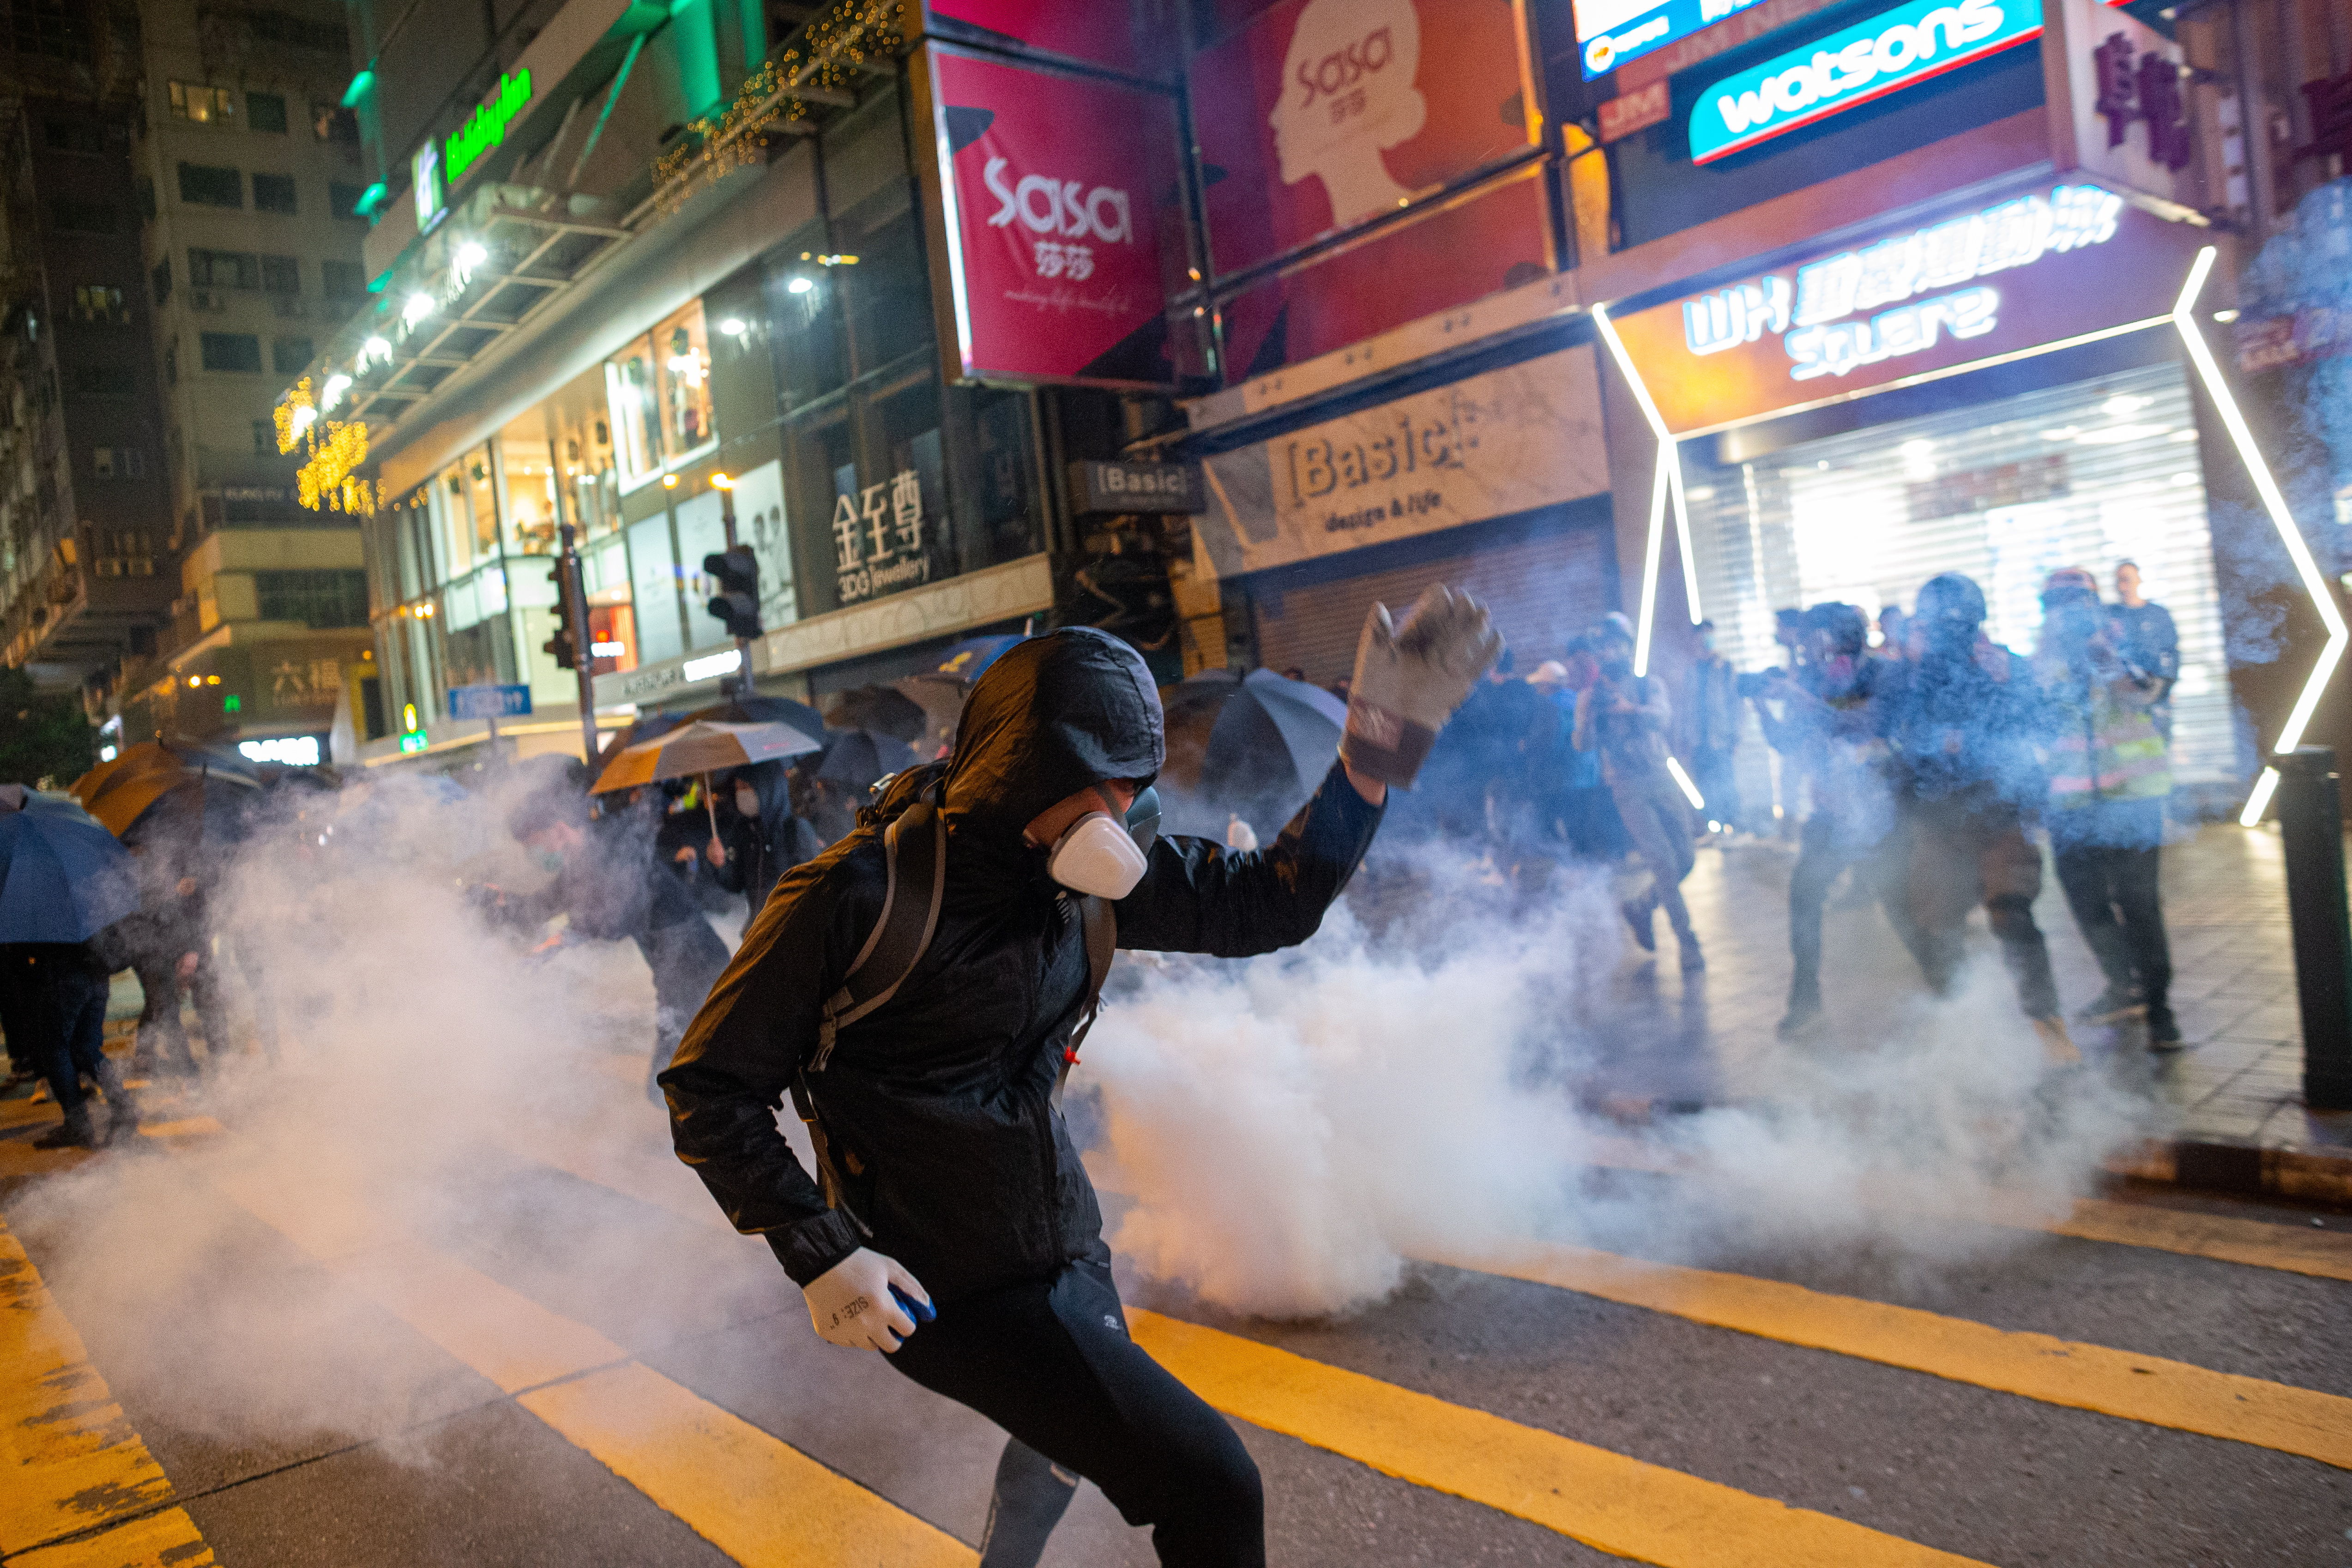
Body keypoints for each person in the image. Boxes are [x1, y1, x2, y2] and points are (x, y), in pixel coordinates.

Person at [662, 596, 1498, 1568]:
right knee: (1214, 1486)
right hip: (935, 1282)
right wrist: (821, 1251)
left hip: (1064, 1240)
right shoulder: (855, 895)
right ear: (1020, 773)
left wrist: (1373, 753)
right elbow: (709, 1087)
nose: (1115, 818)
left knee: (1064, 1440)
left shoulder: (1092, 878)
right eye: (1092, 790)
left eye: (1132, 789)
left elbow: (1271, 905)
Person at [1870, 573, 2072, 1059]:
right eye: (1940, 626)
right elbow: (1886, 730)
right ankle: (1962, 1026)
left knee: (2012, 914)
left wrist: (2006, 683)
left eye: (1958, 625)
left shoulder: (2003, 665)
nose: (1949, 637)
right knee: (1938, 926)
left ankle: (2048, 1028)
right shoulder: (1908, 673)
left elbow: (2045, 726)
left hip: (1998, 812)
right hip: (1937, 819)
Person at [503, 790, 736, 1101]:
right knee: (682, 1085)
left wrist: (557, 942)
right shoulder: (580, 864)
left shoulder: (616, 849)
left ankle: (721, 1137)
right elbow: (544, 904)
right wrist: (499, 905)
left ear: (557, 829)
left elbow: (618, 915)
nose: (533, 853)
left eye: (533, 844)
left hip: (699, 972)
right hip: (673, 981)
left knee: (674, 1087)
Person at [2037, 568, 2179, 1048]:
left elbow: (2149, 692)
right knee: (2085, 900)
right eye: (2055, 605)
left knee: (2139, 902)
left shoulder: (2126, 639)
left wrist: (2106, 656)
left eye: (2076, 602)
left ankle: (2161, 1010)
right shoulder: (2041, 659)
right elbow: (2033, 721)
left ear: (2094, 604)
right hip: (2071, 801)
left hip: (2133, 798)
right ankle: (2123, 985)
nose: (2066, 614)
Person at [1752, 603, 1891, 1036]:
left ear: (1838, 637)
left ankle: (1952, 998)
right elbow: (1787, 743)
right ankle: (1805, 1002)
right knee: (1804, 902)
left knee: (1908, 914)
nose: (1805, 646)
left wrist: (1804, 700)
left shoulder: (1879, 673)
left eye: (1815, 637)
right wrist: (1761, 707)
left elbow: (1864, 725)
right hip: (1831, 816)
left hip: (1881, 814)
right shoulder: (1809, 680)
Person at [1575, 613, 1701, 969]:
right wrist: (1590, 717)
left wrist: (1629, 709)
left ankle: (1641, 906)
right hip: (1627, 785)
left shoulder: (1648, 685)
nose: (1608, 652)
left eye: (1614, 644)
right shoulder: (1591, 696)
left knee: (1685, 859)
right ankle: (1687, 941)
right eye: (1601, 648)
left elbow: (1662, 718)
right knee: (1662, 860)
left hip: (1661, 776)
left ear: (1627, 647)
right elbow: (1582, 745)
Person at [24, 931, 139, 1149]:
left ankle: (78, 1125)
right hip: (97, 975)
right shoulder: (90, 898)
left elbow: (33, 947)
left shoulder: (43, 905)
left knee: (55, 1049)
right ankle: (124, 1107)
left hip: (64, 975)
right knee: (87, 1048)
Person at [710, 762, 823, 921]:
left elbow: (817, 890)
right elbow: (737, 883)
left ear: (767, 788)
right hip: (760, 929)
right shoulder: (746, 831)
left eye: (746, 787)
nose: (741, 794)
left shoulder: (795, 830)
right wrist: (721, 865)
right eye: (737, 788)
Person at [1678, 619, 1743, 834]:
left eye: (1709, 634)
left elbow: (1736, 704)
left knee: (1726, 782)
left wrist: (1736, 736)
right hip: (1699, 739)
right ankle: (1714, 829)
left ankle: (1733, 828)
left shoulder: (1725, 668)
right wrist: (1686, 737)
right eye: (1702, 634)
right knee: (1706, 785)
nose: (1706, 638)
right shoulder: (1691, 670)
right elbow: (1686, 706)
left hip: (1722, 738)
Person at [2111, 561, 2180, 743]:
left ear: (2139, 580)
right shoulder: (2110, 616)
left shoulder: (2159, 616)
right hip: (2122, 706)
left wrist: (2159, 691)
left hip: (2157, 702)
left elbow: (2171, 658)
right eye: (2118, 581)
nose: (2122, 587)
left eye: (2127, 580)